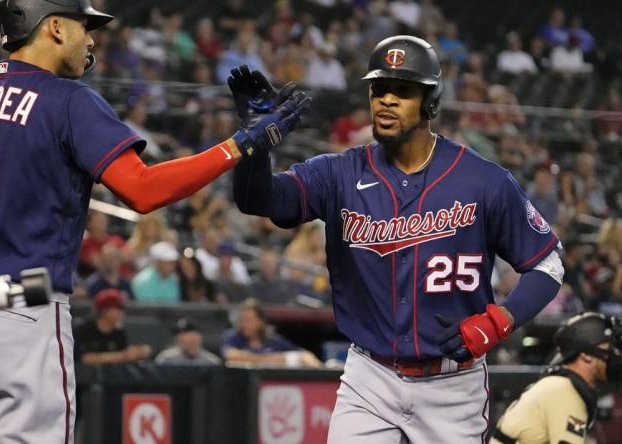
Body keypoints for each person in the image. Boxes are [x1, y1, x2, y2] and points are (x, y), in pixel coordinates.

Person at [0, 1, 309, 442]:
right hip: (20, 308)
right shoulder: (68, 100)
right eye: (84, 26)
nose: (92, 39)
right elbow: (143, 190)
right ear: (55, 27)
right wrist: (239, 145)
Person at [231, 35, 564, 442]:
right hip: (369, 379)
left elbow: (547, 263)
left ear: (430, 102)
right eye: (380, 89)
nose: (387, 100)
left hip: (452, 386)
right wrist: (251, 146)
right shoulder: (339, 173)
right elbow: (257, 199)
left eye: (403, 91)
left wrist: (501, 321)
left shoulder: (484, 181)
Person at [491, 312, 622, 444]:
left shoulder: (559, 384)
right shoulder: (565, 392)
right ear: (586, 355)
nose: (614, 355)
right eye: (608, 348)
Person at [220, 298, 322, 368]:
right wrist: (276, 359)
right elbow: (231, 355)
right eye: (242, 320)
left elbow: (304, 355)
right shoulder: (232, 337)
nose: (244, 324)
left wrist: (319, 368)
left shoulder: (272, 339)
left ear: (260, 322)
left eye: (248, 320)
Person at [74, 289, 151, 365]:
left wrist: (136, 354)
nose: (122, 313)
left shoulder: (118, 332)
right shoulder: (84, 329)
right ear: (105, 310)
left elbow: (124, 355)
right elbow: (84, 359)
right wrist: (124, 355)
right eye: (118, 308)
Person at [155, 317, 222, 366]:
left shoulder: (211, 362)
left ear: (197, 336)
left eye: (184, 334)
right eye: (177, 334)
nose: (179, 337)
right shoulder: (167, 358)